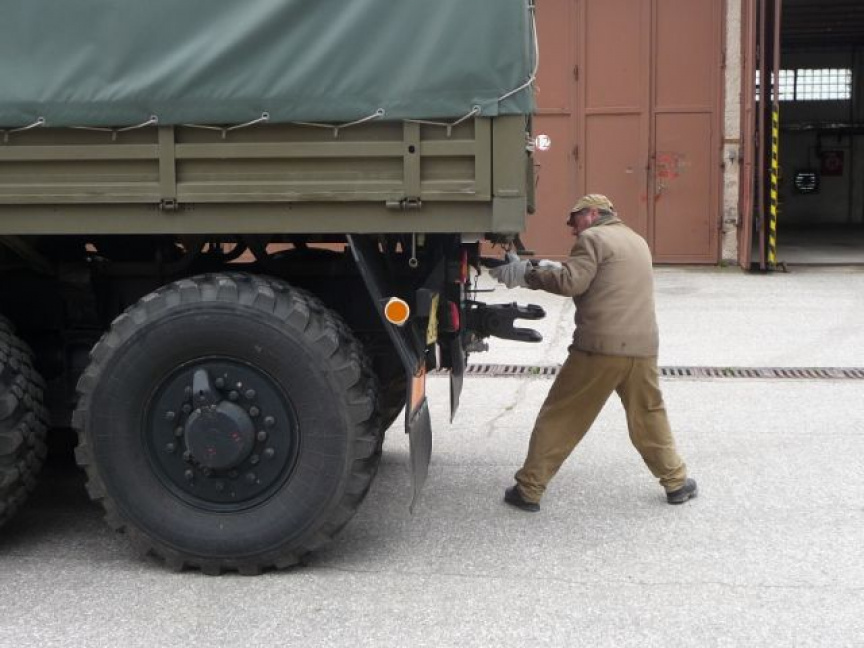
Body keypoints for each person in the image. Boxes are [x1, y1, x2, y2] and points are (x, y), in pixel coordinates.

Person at [489, 194, 697, 512]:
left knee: (561, 416)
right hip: (643, 348)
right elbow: (601, 278)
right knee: (649, 414)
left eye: (574, 221)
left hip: (600, 349)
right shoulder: (637, 240)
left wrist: (526, 275)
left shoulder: (593, 238)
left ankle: (528, 489)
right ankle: (676, 482)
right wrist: (548, 267)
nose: (573, 230)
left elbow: (572, 282)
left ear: (592, 213)